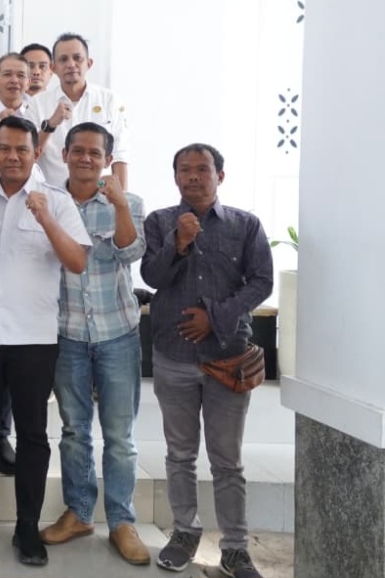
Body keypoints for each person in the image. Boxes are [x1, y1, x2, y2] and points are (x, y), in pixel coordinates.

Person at [0, 116, 89, 566]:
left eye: (21, 150)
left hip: (33, 338)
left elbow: (77, 262)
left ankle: (27, 525)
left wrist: (45, 218)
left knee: (31, 435)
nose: (12, 157)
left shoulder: (57, 202)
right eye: (4, 149)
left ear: (35, 153)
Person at [141, 144, 273, 578]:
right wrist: (179, 243)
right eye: (185, 170)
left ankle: (235, 548)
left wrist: (214, 317)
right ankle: (184, 532)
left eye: (203, 169)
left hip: (226, 358)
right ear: (175, 176)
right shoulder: (160, 221)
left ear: (220, 175)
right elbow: (152, 276)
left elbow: (262, 282)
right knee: (180, 454)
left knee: (227, 460)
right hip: (173, 356)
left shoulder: (245, 225)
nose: (194, 177)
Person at [39, 123, 149, 565]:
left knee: (120, 436)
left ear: (107, 159)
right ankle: (79, 512)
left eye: (95, 153)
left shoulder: (129, 202)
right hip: (66, 333)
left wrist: (119, 204)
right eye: (78, 150)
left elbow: (130, 253)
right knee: (73, 431)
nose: (86, 158)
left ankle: (122, 521)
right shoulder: (50, 201)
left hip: (117, 332)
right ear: (64, 154)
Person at [34, 33, 130, 188]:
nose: (71, 64)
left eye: (77, 58)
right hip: (52, 196)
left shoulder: (110, 101)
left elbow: (119, 155)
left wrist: (122, 198)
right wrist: (51, 124)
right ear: (53, 67)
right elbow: (29, 154)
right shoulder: (37, 103)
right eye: (63, 59)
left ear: (89, 63)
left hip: (99, 197)